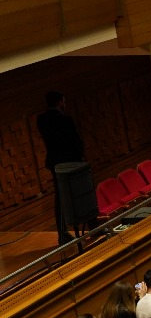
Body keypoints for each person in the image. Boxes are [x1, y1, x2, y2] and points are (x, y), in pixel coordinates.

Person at [37, 90, 86, 243]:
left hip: (55, 164)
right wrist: (81, 158)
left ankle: (62, 233)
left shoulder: (41, 120)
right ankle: (92, 224)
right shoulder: (66, 120)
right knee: (82, 193)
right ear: (59, 102)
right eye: (63, 102)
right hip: (71, 163)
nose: (65, 105)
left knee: (60, 198)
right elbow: (75, 142)